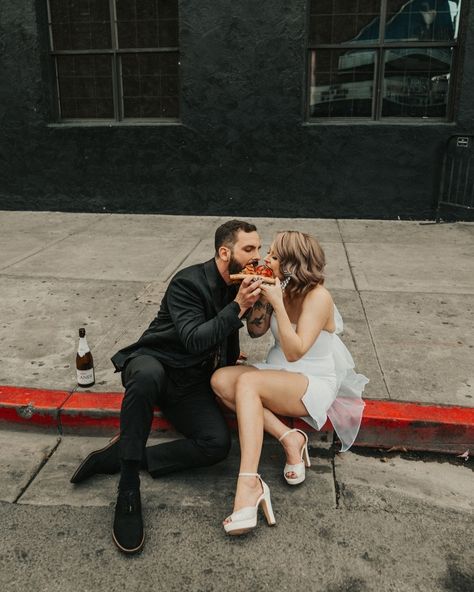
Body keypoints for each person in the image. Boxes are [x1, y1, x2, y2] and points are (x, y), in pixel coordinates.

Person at [70, 220, 264, 553]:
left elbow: (255, 329)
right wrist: (239, 307)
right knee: (145, 377)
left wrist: (264, 301)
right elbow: (192, 338)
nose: (256, 256)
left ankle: (125, 455)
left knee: (217, 444)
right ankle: (128, 489)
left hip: (190, 380)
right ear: (224, 251)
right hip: (155, 360)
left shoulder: (238, 283)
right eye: (249, 249)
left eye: (259, 249)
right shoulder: (188, 283)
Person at [211, 230, 368, 535]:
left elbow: (295, 352)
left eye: (272, 255)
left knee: (247, 385)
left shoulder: (319, 297)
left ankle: (248, 484)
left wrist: (278, 304)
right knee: (219, 380)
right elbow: (257, 332)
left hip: (311, 378)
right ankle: (289, 437)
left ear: (293, 264)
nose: (264, 259)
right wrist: (257, 301)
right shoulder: (279, 285)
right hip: (277, 369)